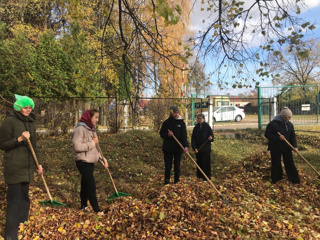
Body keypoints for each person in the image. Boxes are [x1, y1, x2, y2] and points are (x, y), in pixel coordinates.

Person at [0, 94, 43, 240]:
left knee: (25, 199)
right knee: (14, 201)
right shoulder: (9, 122)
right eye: (25, 107)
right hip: (14, 167)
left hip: (27, 167)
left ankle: (22, 225)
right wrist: (19, 139)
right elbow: (2, 144)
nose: (28, 110)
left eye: (30, 107)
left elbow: (35, 146)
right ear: (18, 106)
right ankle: (10, 235)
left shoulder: (31, 123)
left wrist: (39, 164)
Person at [72, 109, 108, 214]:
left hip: (90, 161)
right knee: (91, 185)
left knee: (85, 184)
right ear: (89, 117)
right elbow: (77, 146)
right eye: (95, 117)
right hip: (82, 161)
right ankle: (97, 210)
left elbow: (96, 149)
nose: (97, 120)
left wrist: (103, 160)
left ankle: (83, 206)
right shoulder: (80, 129)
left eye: (98, 117)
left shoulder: (92, 129)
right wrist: (92, 142)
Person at [265, 107, 300, 184]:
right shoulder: (273, 124)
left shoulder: (290, 125)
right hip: (275, 147)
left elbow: (292, 136)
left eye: (289, 117)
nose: (288, 119)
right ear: (282, 116)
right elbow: (267, 134)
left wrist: (295, 146)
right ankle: (276, 179)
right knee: (276, 163)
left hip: (287, 147)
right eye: (286, 117)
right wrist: (278, 137)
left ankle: (294, 179)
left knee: (290, 162)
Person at [159, 106, 189, 185]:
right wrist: (167, 134)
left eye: (177, 112)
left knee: (177, 167)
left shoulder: (181, 123)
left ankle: (176, 181)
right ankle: (167, 181)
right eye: (175, 113)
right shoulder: (166, 123)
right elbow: (161, 134)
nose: (176, 114)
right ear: (171, 113)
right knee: (168, 166)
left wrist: (185, 146)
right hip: (168, 149)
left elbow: (184, 136)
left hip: (178, 149)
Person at [191, 113, 214, 181]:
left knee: (206, 163)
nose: (199, 120)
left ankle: (206, 177)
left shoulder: (207, 126)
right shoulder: (196, 128)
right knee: (199, 163)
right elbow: (193, 138)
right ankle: (199, 177)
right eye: (198, 119)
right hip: (198, 149)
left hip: (206, 149)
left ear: (203, 119)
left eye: (200, 118)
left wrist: (210, 138)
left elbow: (211, 136)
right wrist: (194, 147)